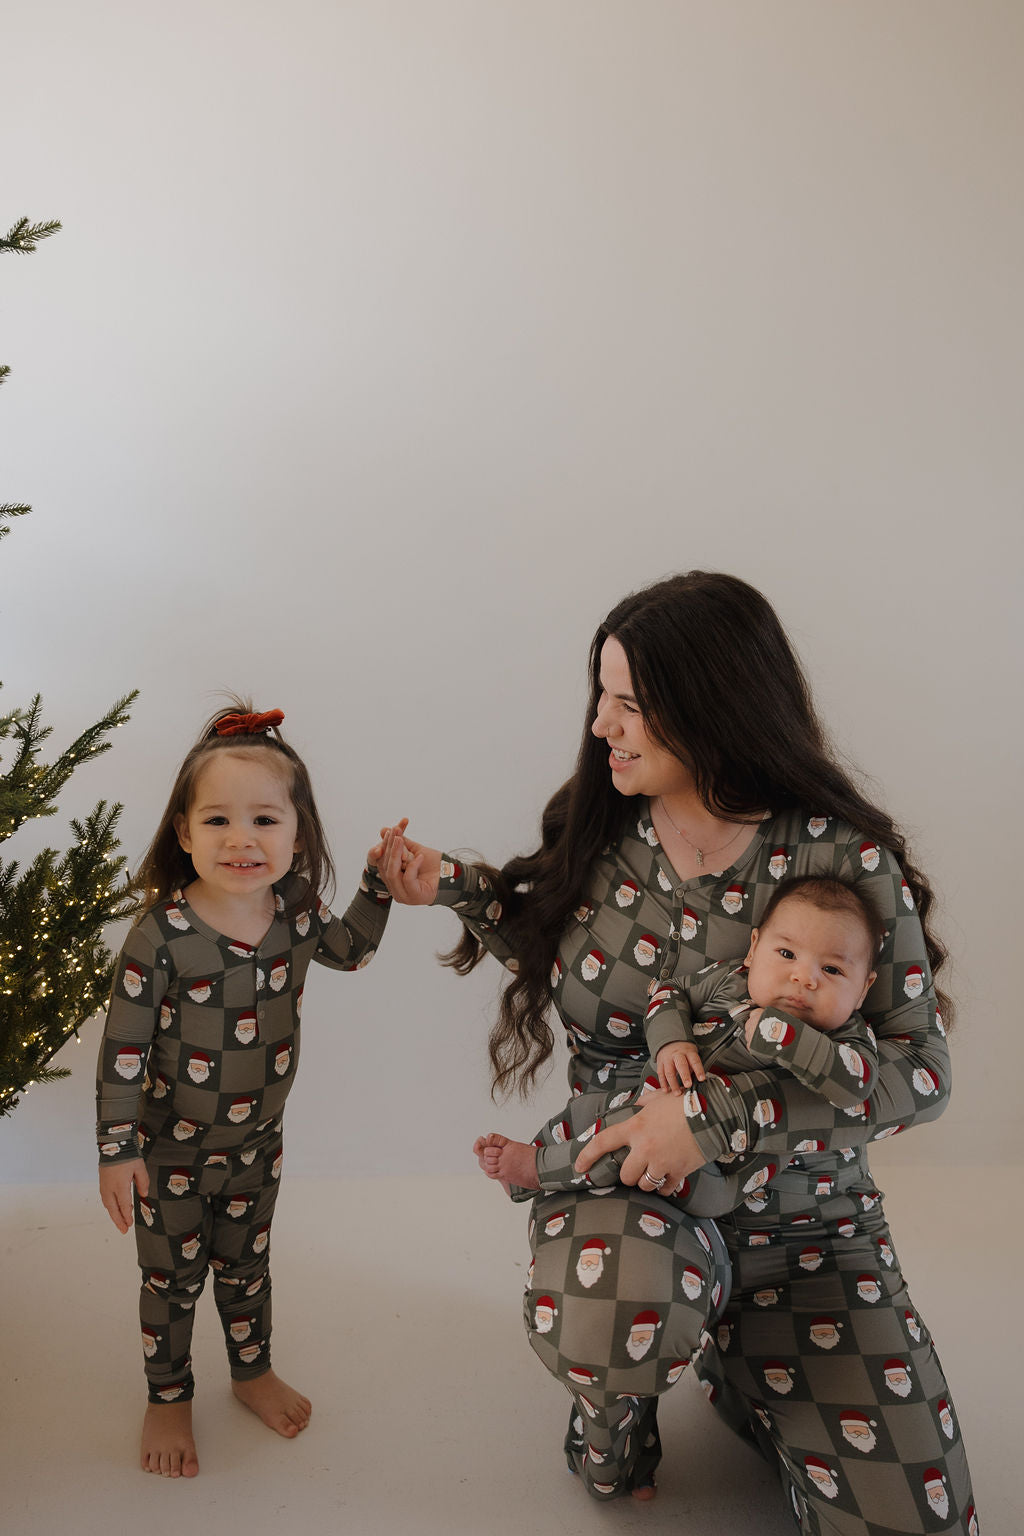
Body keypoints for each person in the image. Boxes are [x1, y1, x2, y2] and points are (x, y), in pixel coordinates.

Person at [373, 571, 977, 1532]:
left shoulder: (841, 858)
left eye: (631, 704)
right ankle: (616, 1410)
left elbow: (923, 1075)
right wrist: (450, 884)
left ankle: (740, 1362)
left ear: (713, 704)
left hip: (809, 1234)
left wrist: (720, 1117)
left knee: (917, 1520)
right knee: (613, 1306)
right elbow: (548, 944)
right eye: (601, 696)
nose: (602, 725)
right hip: (632, 1203)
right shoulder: (605, 829)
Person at [97, 705, 390, 1479]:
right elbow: (122, 1051)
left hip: (258, 1146)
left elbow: (353, 950)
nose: (241, 839)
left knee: (247, 1269)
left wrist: (378, 884)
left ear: (299, 836)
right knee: (171, 1281)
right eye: (217, 820)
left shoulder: (296, 908)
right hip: (169, 1152)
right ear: (183, 833)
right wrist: (116, 1150)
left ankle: (252, 1372)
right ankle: (168, 1396)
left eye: (264, 819)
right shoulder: (160, 935)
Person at [476, 874, 883, 1204]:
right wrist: (672, 1040)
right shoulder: (730, 980)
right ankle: (526, 1174)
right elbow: (669, 992)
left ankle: (538, 1170)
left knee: (627, 1137)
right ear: (754, 949)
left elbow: (857, 1085)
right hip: (648, 1099)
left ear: (863, 988)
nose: (804, 978)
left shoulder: (845, 1035)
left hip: (717, 1168)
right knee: (586, 1111)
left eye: (832, 970)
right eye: (788, 955)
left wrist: (787, 1037)